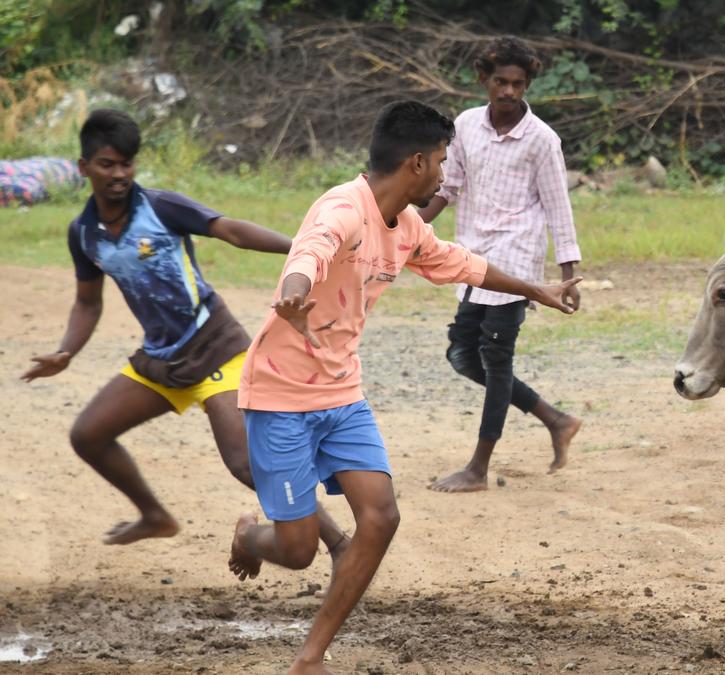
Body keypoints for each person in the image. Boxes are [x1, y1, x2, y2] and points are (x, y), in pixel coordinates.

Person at [227, 100, 580, 675]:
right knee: (295, 552)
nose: (445, 173)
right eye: (441, 161)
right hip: (281, 396)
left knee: (381, 517)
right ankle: (250, 537)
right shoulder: (342, 209)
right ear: (416, 163)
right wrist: (293, 293)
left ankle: (309, 657)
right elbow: (310, 252)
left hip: (342, 393)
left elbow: (465, 264)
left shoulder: (409, 226)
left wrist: (536, 289)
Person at [20, 109, 349, 557]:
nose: (119, 174)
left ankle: (337, 544)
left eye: (126, 164)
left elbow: (230, 230)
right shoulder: (84, 234)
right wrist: (66, 352)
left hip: (217, 348)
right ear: (83, 168)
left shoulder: (160, 207)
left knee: (246, 464)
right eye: (107, 165)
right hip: (163, 360)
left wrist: (303, 248)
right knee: (88, 435)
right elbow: (88, 303)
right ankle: (155, 517)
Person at [417, 36, 583, 493]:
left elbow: (557, 207)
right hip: (471, 255)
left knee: (495, 356)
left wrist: (568, 275)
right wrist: (406, 224)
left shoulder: (542, 140)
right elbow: (448, 187)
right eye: (500, 82)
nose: (508, 91)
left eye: (518, 83)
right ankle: (555, 418)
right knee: (462, 355)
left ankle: (478, 468)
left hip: (516, 258)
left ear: (528, 84)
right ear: (484, 80)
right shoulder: (466, 125)